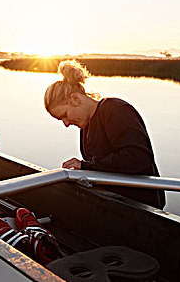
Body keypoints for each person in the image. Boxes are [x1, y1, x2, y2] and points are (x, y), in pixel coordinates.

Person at [44, 60, 165, 209]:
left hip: (141, 206)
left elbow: (138, 158)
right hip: (114, 202)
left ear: (75, 99)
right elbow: (102, 165)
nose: (66, 123)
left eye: (65, 115)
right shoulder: (86, 125)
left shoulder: (116, 110)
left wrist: (85, 165)